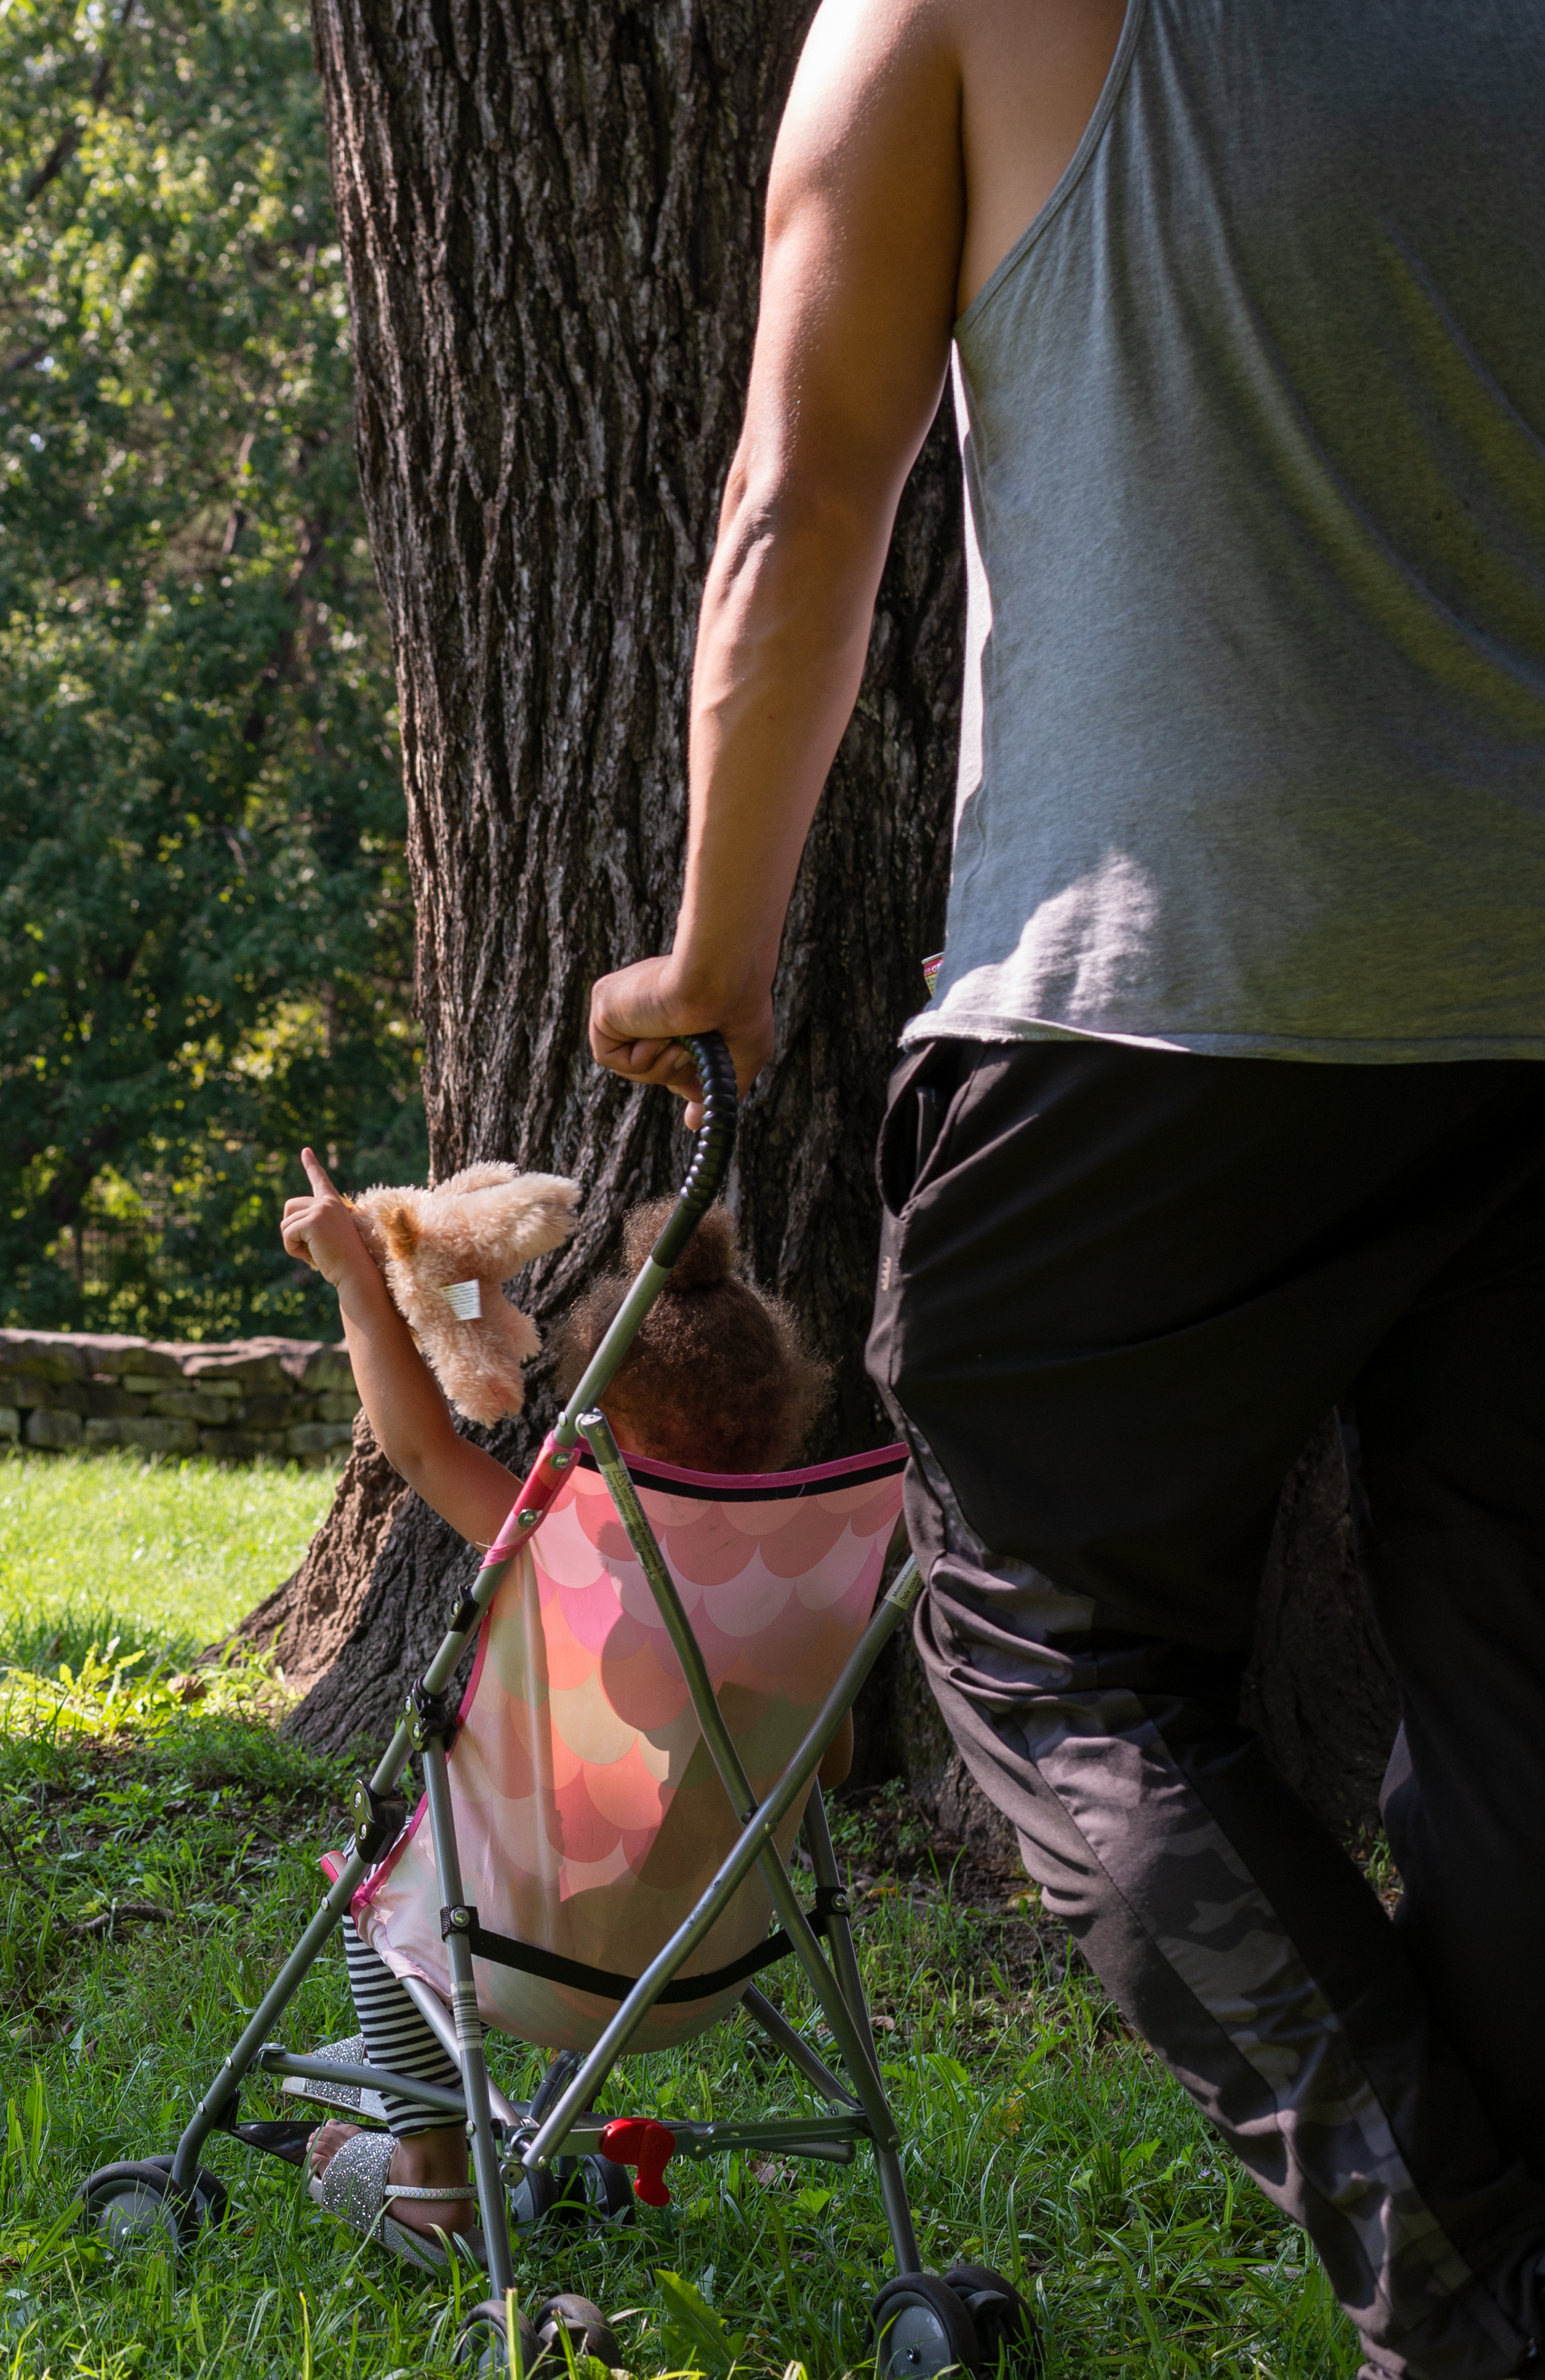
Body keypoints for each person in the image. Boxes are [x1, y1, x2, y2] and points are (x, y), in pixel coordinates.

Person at [581, 2, 1545, 2369]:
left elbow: (801, 506)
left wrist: (717, 952)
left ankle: (1468, 2280)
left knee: (1049, 1649)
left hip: (1154, 991)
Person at [275, 1170, 834, 2260]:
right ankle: (525, 2139)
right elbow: (835, 1758)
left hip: (523, 1953)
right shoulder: (808, 1590)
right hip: (707, 1966)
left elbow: (422, 1446)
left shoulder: (564, 1537)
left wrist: (354, 1275)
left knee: (376, 1871)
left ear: (598, 1409)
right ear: (781, 1411)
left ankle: (431, 2178)